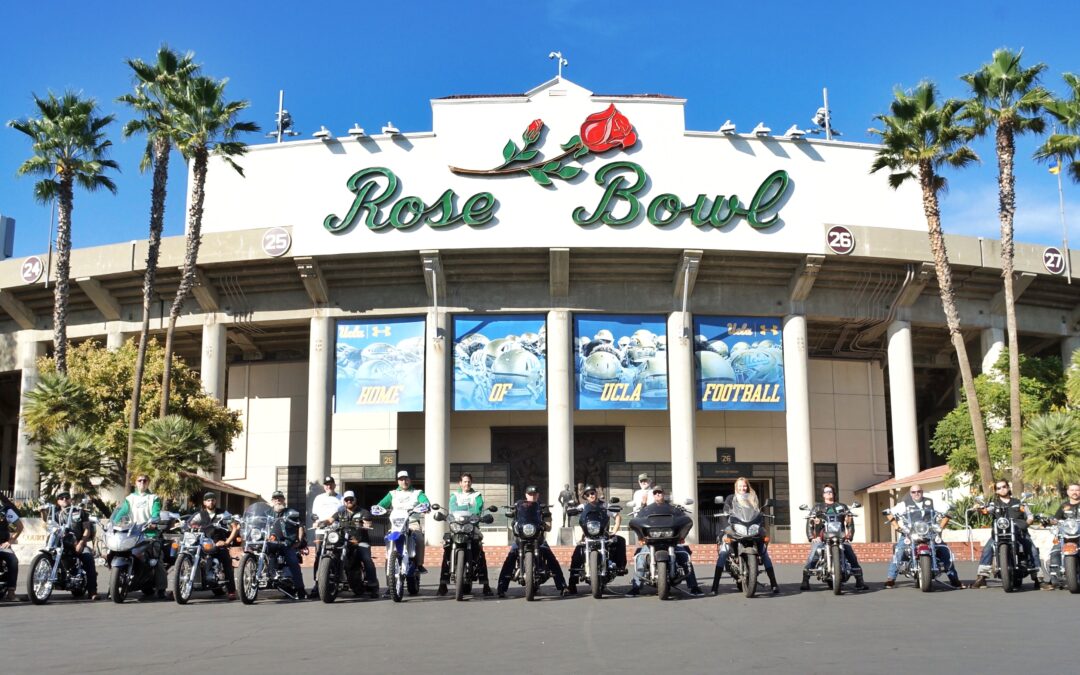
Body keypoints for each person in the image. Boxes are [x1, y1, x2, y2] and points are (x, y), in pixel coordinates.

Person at [628, 485, 704, 596]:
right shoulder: (647, 509)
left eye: (660, 492)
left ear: (664, 494)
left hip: (670, 541)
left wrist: (681, 534)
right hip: (651, 542)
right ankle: (635, 587)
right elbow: (639, 518)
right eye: (655, 493)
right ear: (653, 495)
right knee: (640, 558)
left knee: (684, 557)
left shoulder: (672, 508)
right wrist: (641, 536)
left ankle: (694, 587)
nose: (658, 494)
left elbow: (681, 517)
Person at [883, 484, 962, 589]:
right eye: (913, 492)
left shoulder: (931, 502)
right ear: (910, 494)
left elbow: (948, 510)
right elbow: (890, 512)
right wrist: (897, 527)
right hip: (910, 533)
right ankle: (891, 579)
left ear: (922, 492)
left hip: (930, 533)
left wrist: (940, 527)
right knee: (899, 549)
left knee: (944, 551)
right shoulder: (904, 504)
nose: (916, 494)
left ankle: (954, 580)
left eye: (919, 491)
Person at [496, 485, 569, 597]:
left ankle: (563, 586)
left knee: (551, 557)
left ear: (538, 495)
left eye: (534, 494)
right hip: (521, 538)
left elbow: (549, 527)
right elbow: (514, 521)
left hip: (538, 538)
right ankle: (501, 587)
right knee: (510, 557)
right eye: (530, 494)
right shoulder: (520, 506)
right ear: (526, 495)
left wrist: (545, 523)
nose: (532, 496)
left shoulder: (543, 507)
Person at [714, 476, 780, 594]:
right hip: (735, 529)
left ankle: (774, 584)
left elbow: (757, 513)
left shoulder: (752, 498)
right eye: (740, 486)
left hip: (750, 529)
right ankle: (715, 586)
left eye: (744, 485)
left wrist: (760, 519)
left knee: (764, 553)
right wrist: (726, 528)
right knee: (723, 552)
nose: (742, 488)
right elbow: (725, 514)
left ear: (747, 486)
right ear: (736, 487)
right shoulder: (730, 498)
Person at [971, 480, 1041, 589]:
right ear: (996, 491)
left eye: (1004, 486)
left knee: (1031, 548)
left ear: (1008, 488)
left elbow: (1029, 515)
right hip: (1000, 533)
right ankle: (981, 577)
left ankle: (1039, 579)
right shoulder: (995, 504)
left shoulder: (1018, 502)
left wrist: (1026, 524)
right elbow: (987, 511)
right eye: (998, 488)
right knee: (987, 549)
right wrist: (980, 509)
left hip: (1019, 532)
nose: (1002, 489)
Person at [800, 483, 867, 592]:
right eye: (826, 491)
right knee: (815, 553)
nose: (829, 493)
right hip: (823, 536)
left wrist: (849, 534)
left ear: (833, 493)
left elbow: (849, 521)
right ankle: (805, 580)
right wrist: (812, 537)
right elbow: (810, 522)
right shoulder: (817, 507)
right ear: (823, 495)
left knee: (850, 552)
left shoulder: (842, 506)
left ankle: (860, 580)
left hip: (840, 536)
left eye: (830, 491)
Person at [111, 475, 166, 598]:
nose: (142, 482)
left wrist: (154, 520)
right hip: (132, 532)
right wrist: (113, 522)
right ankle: (114, 585)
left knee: (156, 560)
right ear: (135, 483)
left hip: (148, 533)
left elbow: (156, 511)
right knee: (116, 552)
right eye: (139, 480)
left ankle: (161, 589)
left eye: (144, 480)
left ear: (148, 483)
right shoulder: (130, 498)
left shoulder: (153, 498)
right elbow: (123, 511)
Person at [438, 472, 492, 596]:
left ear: (471, 483)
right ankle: (443, 584)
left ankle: (485, 584)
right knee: (446, 550)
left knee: (479, 551)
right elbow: (452, 508)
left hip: (472, 527)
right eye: (464, 481)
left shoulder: (477, 495)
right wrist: (468, 507)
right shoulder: (454, 495)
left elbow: (477, 509)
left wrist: (463, 507)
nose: (466, 483)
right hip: (456, 527)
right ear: (460, 483)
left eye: (468, 481)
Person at [567, 485, 628, 594]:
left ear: (596, 493)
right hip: (588, 535)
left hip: (603, 535)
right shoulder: (583, 506)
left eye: (593, 493)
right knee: (577, 552)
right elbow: (574, 510)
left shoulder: (605, 505)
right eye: (588, 494)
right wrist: (572, 509)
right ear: (585, 496)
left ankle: (620, 566)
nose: (591, 495)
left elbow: (617, 516)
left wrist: (614, 531)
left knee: (620, 540)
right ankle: (572, 582)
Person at [376, 470, 431, 590]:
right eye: (401, 479)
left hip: (412, 523)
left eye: (406, 479)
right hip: (396, 525)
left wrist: (425, 505)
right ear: (398, 481)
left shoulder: (417, 493)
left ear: (410, 480)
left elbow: (425, 502)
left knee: (420, 539)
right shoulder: (393, 493)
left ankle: (419, 564)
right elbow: (381, 504)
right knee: (388, 543)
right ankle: (390, 586)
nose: (404, 481)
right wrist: (378, 508)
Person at [191, 492, 239, 600]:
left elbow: (235, 527)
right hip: (203, 544)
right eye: (208, 500)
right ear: (204, 502)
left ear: (215, 501)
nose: (210, 502)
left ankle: (231, 591)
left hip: (219, 543)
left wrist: (226, 542)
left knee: (227, 563)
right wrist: (187, 525)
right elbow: (190, 523)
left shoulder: (223, 513)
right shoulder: (200, 514)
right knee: (191, 554)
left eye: (212, 500)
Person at [53, 492, 98, 600]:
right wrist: (42, 511)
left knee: (88, 558)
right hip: (62, 544)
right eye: (61, 498)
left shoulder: (79, 512)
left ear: (70, 500)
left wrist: (81, 543)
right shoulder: (56, 514)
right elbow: (48, 524)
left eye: (66, 497)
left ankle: (92, 590)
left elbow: (87, 529)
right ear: (58, 501)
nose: (64, 499)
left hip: (78, 543)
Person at [339, 490, 379, 597]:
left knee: (366, 559)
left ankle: (373, 584)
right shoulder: (341, 512)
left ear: (355, 500)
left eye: (351, 499)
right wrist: (322, 522)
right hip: (345, 542)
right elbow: (330, 519)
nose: (349, 501)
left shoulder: (363, 512)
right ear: (344, 501)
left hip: (361, 542)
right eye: (346, 500)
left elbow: (368, 521)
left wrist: (366, 524)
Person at [268, 490, 307, 599]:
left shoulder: (291, 512)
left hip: (286, 543)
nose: (278, 500)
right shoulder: (268, 513)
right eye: (275, 498)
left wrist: (299, 540)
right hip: (270, 542)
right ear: (272, 501)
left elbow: (300, 525)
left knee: (293, 562)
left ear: (284, 500)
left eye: (280, 498)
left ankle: (301, 590)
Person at [309, 476, 343, 599]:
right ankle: (317, 583)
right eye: (326, 484)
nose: (328, 486)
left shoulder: (341, 498)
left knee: (338, 555)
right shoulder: (318, 498)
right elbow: (314, 514)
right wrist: (316, 520)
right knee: (319, 556)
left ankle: (338, 580)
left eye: (330, 484)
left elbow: (342, 512)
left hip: (336, 531)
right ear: (324, 486)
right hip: (321, 531)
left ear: (334, 485)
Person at [1045, 482, 1080, 588]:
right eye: (1072, 490)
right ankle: (1054, 577)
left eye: (1077, 490)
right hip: (1066, 535)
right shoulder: (1064, 506)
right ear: (1068, 492)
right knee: (1055, 550)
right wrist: (1051, 520)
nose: (1075, 492)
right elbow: (1056, 519)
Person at [0, 493, 23, 602]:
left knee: (13, 560)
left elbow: (19, 526)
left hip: (2, 545)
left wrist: (10, 540)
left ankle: (11, 593)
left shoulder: (5, 510)